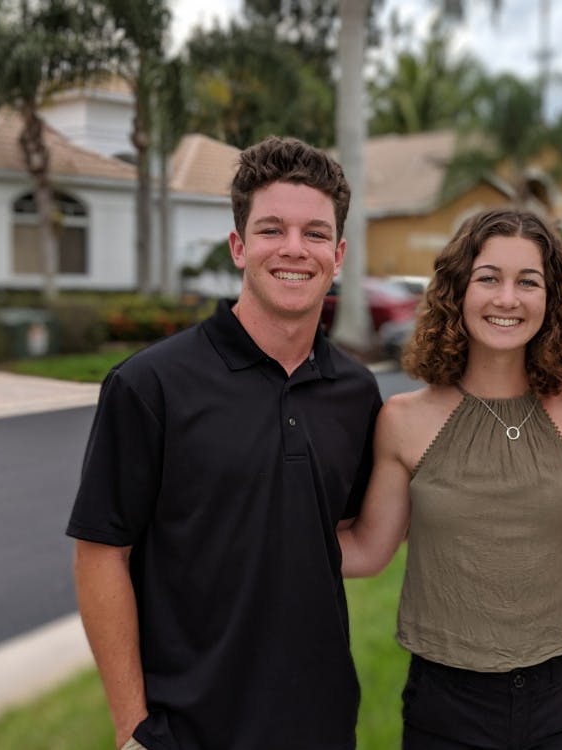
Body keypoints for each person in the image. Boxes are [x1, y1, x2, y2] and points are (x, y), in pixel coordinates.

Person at [66, 136, 381, 750]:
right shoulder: (149, 385)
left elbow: (338, 537)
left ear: (338, 255)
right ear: (239, 247)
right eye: (271, 230)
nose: (294, 249)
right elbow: (101, 554)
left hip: (320, 727)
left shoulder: (356, 392)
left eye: (315, 234)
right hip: (186, 731)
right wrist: (132, 729)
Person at [338, 208, 562, 749]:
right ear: (457, 291)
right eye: (488, 278)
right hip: (447, 701)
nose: (506, 299)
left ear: (552, 298)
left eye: (527, 282)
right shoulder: (403, 420)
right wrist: (255, 535)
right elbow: (369, 551)